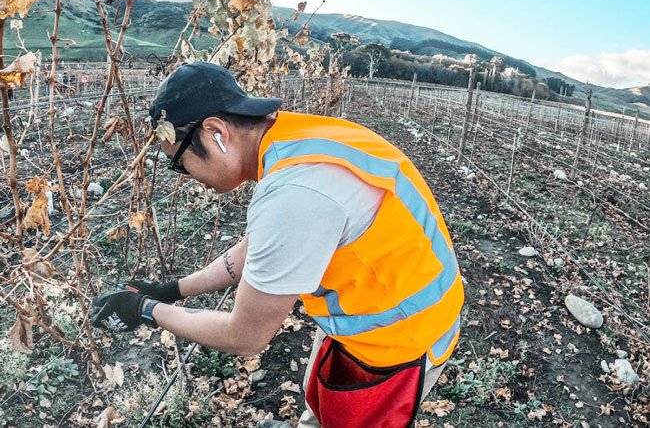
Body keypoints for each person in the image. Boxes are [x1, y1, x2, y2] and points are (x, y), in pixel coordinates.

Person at [91, 62, 465, 428]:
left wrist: (148, 310)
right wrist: (173, 290)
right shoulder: (294, 138)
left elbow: (245, 336)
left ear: (216, 132)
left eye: (180, 164)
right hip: (373, 306)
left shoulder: (294, 196)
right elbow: (259, 248)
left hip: (398, 340)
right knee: (318, 404)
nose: (186, 176)